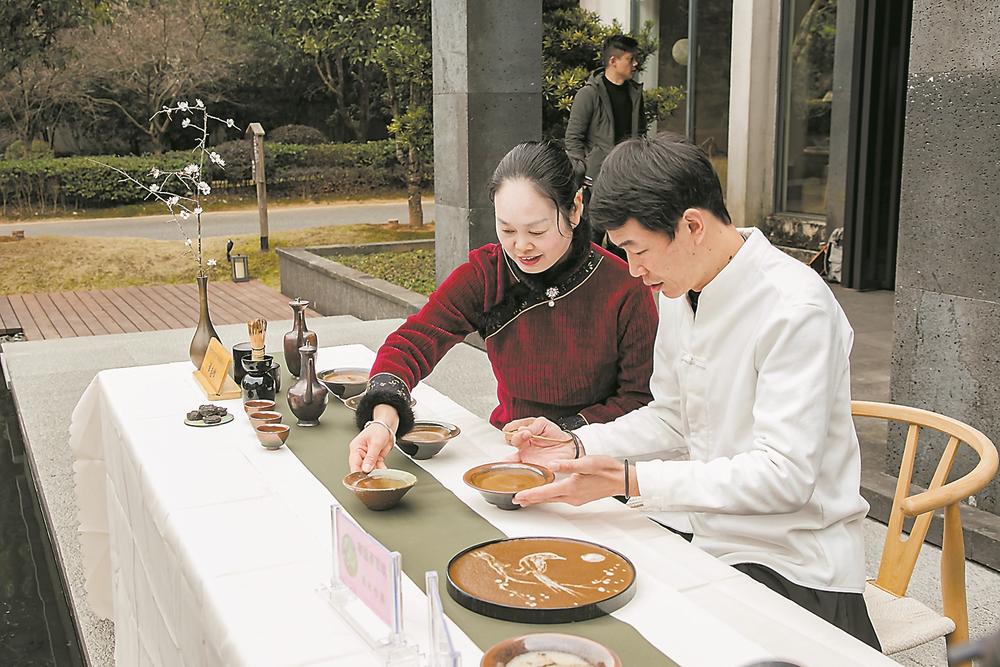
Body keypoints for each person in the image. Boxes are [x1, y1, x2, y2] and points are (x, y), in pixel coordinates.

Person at [506, 135, 882, 651]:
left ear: (692, 226)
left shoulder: (796, 310)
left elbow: (785, 477)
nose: (633, 270)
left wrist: (631, 479)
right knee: (565, 589)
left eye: (637, 249)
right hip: (708, 538)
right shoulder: (680, 290)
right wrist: (575, 444)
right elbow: (671, 417)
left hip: (793, 562)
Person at [349, 140, 658, 475]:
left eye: (537, 230)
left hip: (596, 461)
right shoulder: (487, 275)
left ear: (574, 209)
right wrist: (383, 418)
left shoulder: (624, 285)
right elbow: (411, 344)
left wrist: (566, 431)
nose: (521, 246)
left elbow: (639, 398)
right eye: (507, 229)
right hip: (508, 454)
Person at [565, 35, 647, 260]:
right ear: (613, 61)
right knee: (590, 238)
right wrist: (581, 172)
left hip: (627, 178)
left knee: (623, 239)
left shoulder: (634, 93)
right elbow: (573, 138)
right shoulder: (589, 94)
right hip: (595, 181)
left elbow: (640, 135)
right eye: (630, 59)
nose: (635, 64)